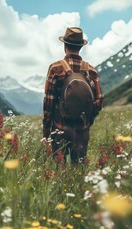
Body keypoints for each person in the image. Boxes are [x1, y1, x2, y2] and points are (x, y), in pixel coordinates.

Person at [43, 27, 103, 165]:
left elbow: (48, 103)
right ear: (81, 46)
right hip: (82, 131)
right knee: (79, 172)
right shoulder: (91, 70)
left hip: (60, 128)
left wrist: (46, 130)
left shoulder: (55, 68)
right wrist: (87, 121)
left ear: (65, 45)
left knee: (59, 171)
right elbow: (99, 100)